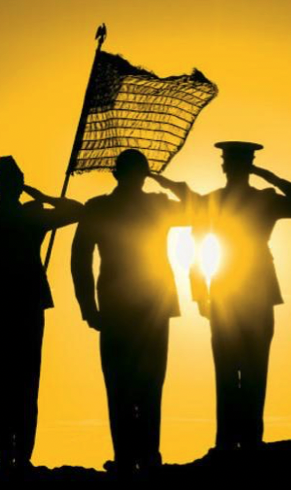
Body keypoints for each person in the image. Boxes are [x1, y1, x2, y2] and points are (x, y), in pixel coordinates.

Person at [175, 141, 291, 452]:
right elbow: (198, 247)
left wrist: (269, 177)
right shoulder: (230, 201)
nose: (233, 168)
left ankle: (242, 440)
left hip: (245, 289)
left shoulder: (241, 200)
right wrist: (200, 292)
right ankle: (235, 440)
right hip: (234, 289)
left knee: (244, 367)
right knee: (241, 367)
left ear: (227, 166)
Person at [70, 149, 191, 474]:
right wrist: (172, 185)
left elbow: (80, 261)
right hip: (147, 306)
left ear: (116, 174)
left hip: (119, 307)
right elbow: (200, 211)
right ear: (142, 175)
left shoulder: (99, 208)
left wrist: (87, 307)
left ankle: (128, 455)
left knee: (121, 384)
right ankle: (147, 454)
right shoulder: (156, 205)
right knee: (149, 383)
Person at [0, 155, 83, 471]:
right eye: (6, 181)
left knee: (24, 381)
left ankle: (20, 456)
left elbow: (78, 212)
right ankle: (7, 454)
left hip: (24, 306)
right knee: (4, 382)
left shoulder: (30, 216)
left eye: (12, 181)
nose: (8, 186)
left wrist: (42, 200)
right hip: (0, 307)